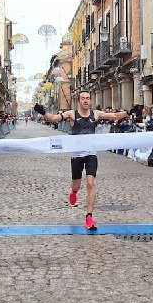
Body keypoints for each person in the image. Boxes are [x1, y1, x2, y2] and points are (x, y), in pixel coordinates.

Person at [34, 91, 130, 230]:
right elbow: (55, 119)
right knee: (76, 185)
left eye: (87, 98)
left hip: (91, 153)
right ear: (79, 101)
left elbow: (115, 115)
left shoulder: (95, 114)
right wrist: (43, 112)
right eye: (83, 98)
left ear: (90, 101)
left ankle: (89, 217)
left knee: (91, 183)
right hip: (77, 155)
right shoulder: (72, 114)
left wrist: (129, 112)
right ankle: (73, 193)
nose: (85, 101)